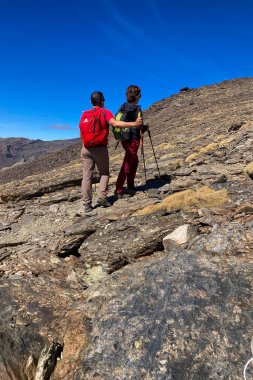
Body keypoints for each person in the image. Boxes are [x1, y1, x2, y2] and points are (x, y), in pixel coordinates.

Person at [79, 91, 142, 214]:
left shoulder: (84, 114)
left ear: (91, 102)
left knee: (86, 177)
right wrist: (134, 124)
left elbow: (82, 131)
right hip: (100, 148)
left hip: (85, 148)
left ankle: (86, 205)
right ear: (103, 101)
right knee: (104, 173)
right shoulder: (105, 112)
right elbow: (115, 123)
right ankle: (102, 198)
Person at [115, 85, 146, 199]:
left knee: (134, 161)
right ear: (137, 96)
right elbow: (138, 126)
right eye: (140, 95)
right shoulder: (136, 108)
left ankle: (131, 185)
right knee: (128, 163)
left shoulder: (123, 106)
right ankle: (119, 190)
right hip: (133, 139)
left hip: (124, 138)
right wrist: (144, 128)